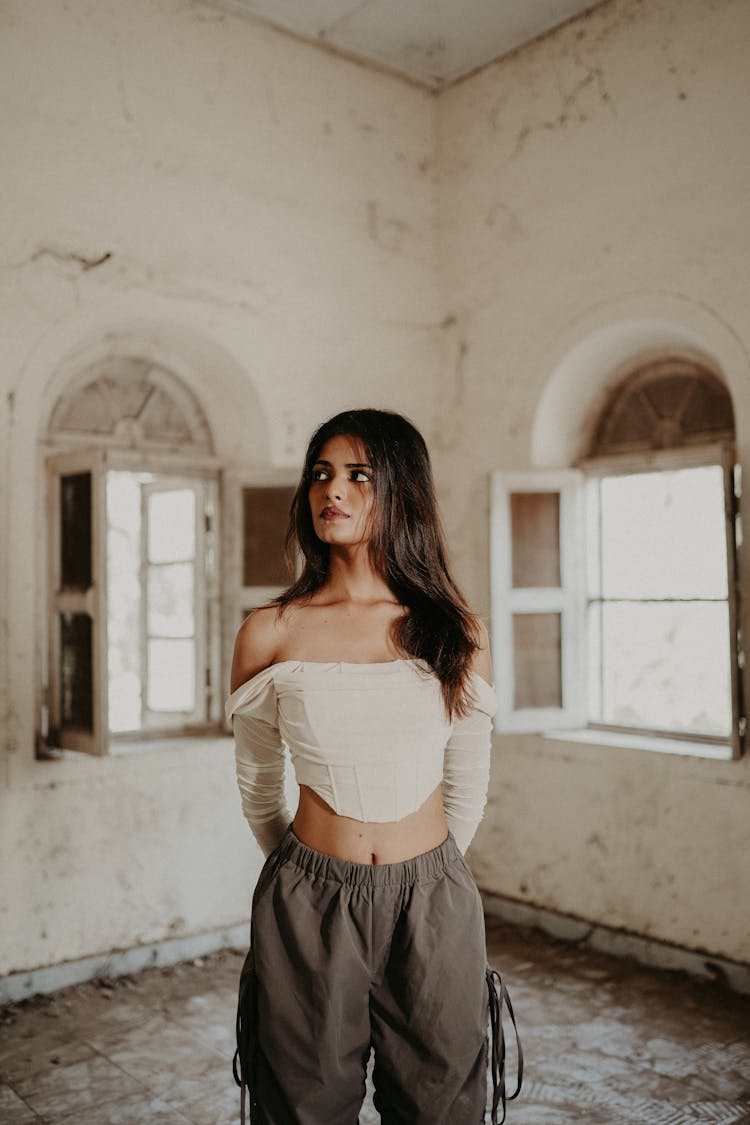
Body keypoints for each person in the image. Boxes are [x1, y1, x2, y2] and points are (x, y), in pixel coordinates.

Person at [226, 408, 522, 1125]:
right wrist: (308, 875)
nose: (335, 490)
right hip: (308, 898)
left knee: (441, 1101)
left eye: (359, 474)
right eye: (322, 473)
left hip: (434, 897)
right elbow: (260, 783)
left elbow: (467, 783)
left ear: (401, 492)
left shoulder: (454, 630)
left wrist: (425, 877)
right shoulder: (271, 631)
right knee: (303, 1102)